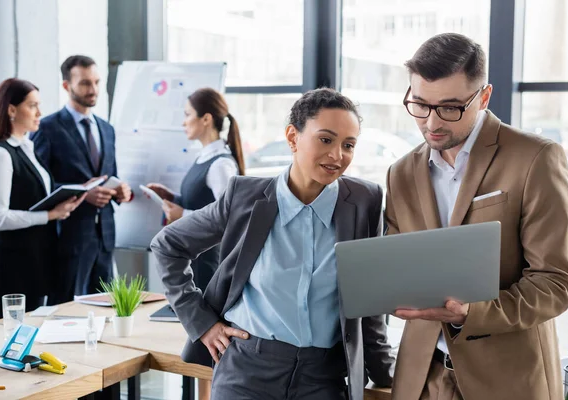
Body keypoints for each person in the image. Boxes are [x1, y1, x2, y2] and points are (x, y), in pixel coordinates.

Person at [151, 88, 394, 400]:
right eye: (325, 139)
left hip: (322, 377)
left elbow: (368, 299)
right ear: (292, 137)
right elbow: (168, 245)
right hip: (247, 371)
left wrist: (385, 372)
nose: (338, 155)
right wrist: (202, 324)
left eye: (348, 145)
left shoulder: (364, 201)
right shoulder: (245, 197)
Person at [385, 33, 568, 400]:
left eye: (450, 107)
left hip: (508, 380)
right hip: (421, 380)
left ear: (483, 97)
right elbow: (398, 267)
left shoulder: (535, 158)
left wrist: (470, 313)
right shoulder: (400, 173)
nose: (431, 123)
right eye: (420, 105)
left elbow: (555, 284)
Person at [31, 55, 132, 302]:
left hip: (105, 239)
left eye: (97, 82)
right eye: (86, 83)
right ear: (67, 86)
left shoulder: (107, 128)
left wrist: (121, 191)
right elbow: (37, 185)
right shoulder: (47, 128)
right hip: (68, 241)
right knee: (66, 313)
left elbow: (111, 173)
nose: (94, 89)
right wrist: (84, 195)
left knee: (106, 313)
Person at [0, 78, 85, 322]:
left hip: (33, 261)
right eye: (32, 105)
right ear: (11, 109)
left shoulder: (27, 148)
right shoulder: (0, 154)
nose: (39, 112)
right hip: (9, 268)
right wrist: (50, 215)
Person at [146, 87, 245, 292]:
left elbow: (230, 219)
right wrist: (173, 197)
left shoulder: (220, 165)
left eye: (188, 114)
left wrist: (182, 214)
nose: (184, 121)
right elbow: (205, 203)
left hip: (207, 264)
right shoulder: (204, 157)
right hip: (194, 258)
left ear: (206, 119)